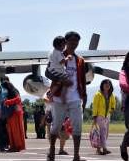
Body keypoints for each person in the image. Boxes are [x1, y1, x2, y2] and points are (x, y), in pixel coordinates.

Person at [46, 31, 87, 161]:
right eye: (71, 40)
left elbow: (82, 79)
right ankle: (52, 149)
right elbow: (48, 72)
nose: (74, 43)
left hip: (75, 98)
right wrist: (61, 80)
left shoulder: (80, 60)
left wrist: (84, 97)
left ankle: (76, 155)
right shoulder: (58, 55)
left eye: (77, 41)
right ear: (65, 42)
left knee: (77, 126)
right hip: (58, 98)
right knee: (56, 126)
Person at [92, 79, 116, 155]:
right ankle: (102, 149)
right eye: (105, 84)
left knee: (105, 133)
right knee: (101, 133)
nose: (107, 86)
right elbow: (95, 106)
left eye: (108, 85)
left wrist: (112, 109)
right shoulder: (98, 94)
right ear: (102, 85)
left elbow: (113, 103)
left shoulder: (111, 95)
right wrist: (95, 116)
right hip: (99, 116)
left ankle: (101, 149)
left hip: (107, 116)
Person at [47, 36, 73, 103]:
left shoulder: (53, 51)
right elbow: (62, 61)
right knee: (65, 81)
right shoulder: (58, 53)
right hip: (56, 71)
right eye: (64, 45)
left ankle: (51, 92)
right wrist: (68, 58)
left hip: (52, 70)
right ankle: (54, 94)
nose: (64, 47)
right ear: (59, 45)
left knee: (57, 81)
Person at [2, 80, 26, 152]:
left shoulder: (14, 91)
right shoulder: (9, 92)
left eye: (4, 88)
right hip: (11, 113)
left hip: (15, 113)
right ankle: (13, 146)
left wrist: (7, 102)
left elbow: (18, 99)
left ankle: (17, 146)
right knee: (11, 130)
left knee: (15, 130)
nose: (3, 89)